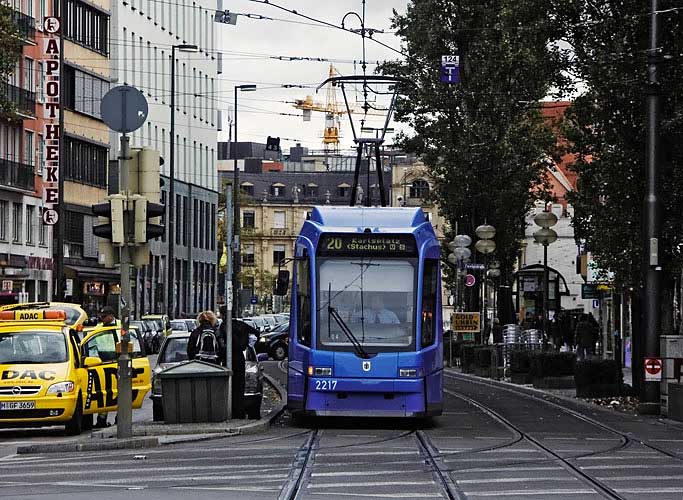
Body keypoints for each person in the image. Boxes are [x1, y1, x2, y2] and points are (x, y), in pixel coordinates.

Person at [217, 306, 252, 419]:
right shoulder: (241, 325)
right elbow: (255, 333)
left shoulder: (224, 326)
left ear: (223, 315)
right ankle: (239, 411)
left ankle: (231, 411)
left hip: (228, 358)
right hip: (239, 358)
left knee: (229, 386)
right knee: (239, 385)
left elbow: (221, 344)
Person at [94, 306, 117, 428]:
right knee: (105, 392)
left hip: (118, 363)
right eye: (101, 317)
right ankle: (101, 419)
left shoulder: (121, 326)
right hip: (103, 363)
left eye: (104, 317)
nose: (102, 319)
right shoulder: (98, 328)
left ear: (111, 316)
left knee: (120, 392)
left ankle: (121, 418)